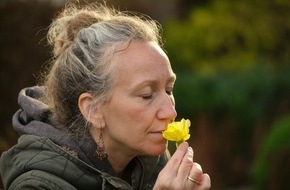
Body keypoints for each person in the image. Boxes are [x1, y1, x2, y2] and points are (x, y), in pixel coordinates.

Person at [0, 2, 211, 190]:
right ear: (93, 110)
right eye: (147, 95)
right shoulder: (38, 184)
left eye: (169, 90)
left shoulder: (152, 163)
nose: (170, 111)